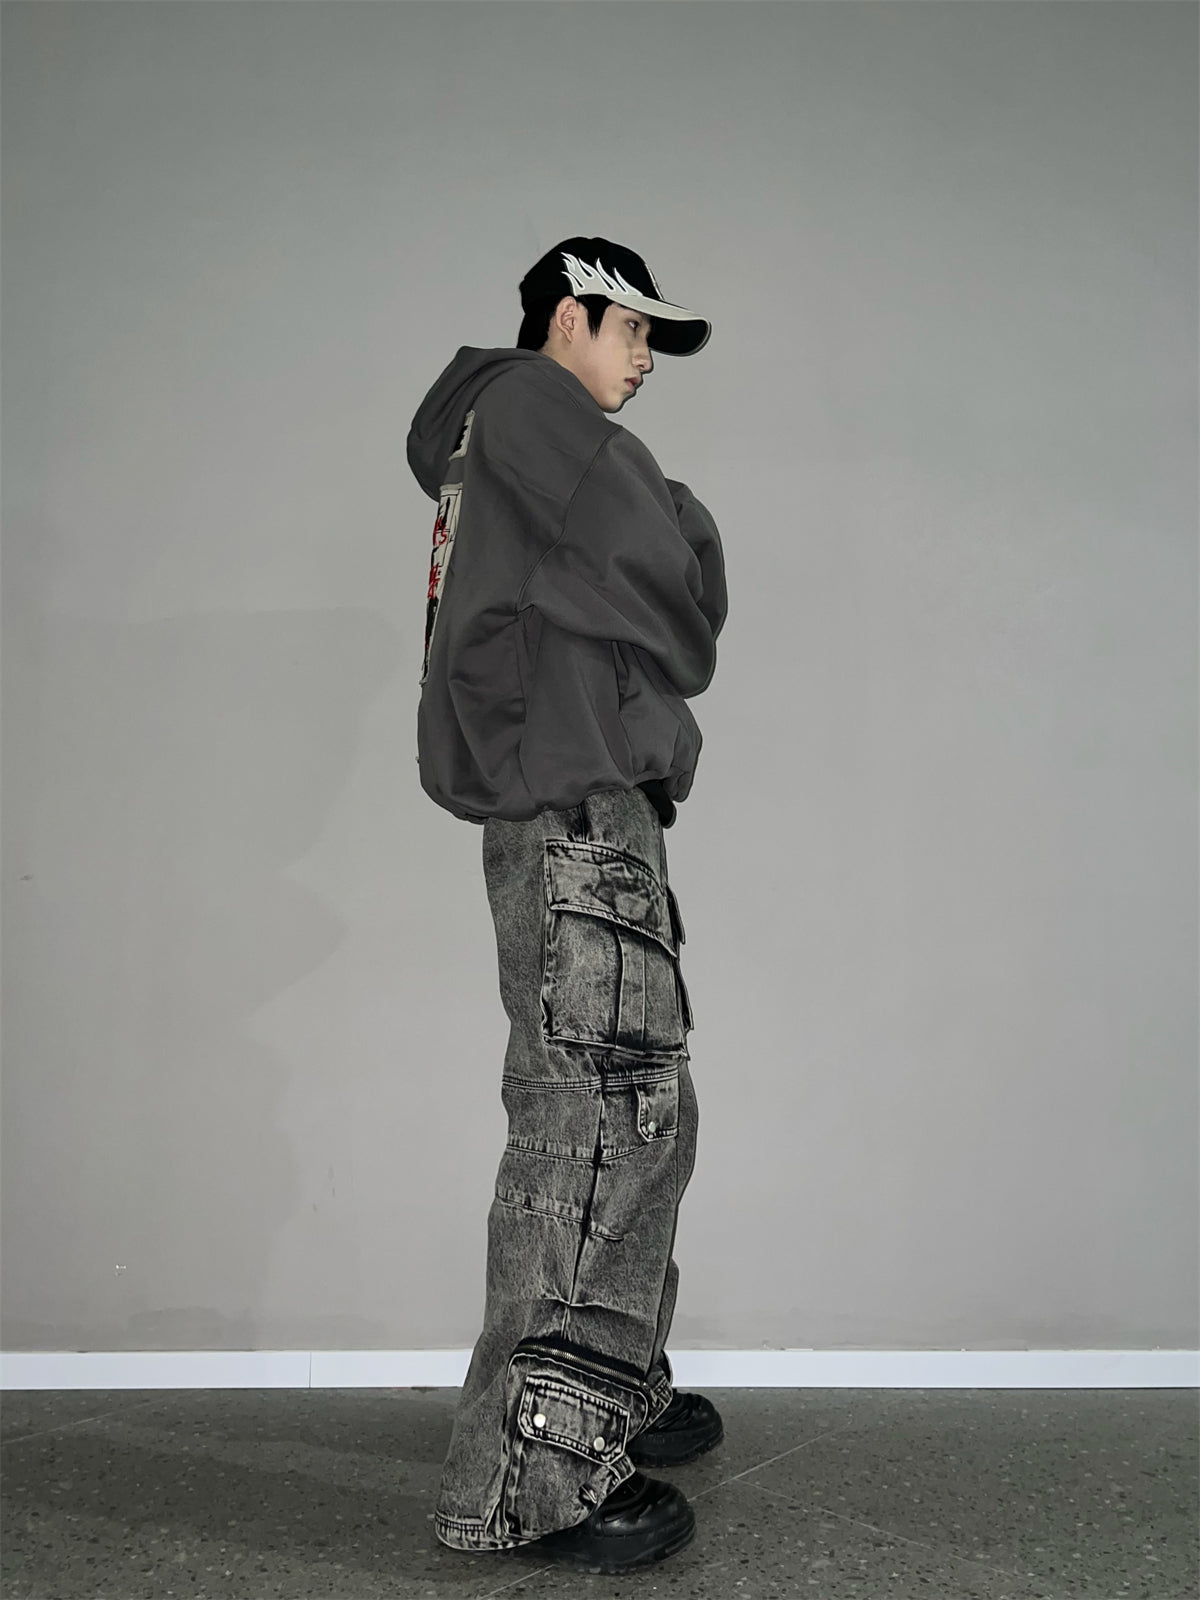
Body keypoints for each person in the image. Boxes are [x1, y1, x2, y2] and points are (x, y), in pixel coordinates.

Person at [406, 237, 728, 1574]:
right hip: (578, 815)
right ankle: (530, 1482)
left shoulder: (500, 445)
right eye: (631, 329)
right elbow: (679, 586)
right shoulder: (536, 409)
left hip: (580, 815)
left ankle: (608, 1396)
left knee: (633, 1114)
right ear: (567, 316)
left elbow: (589, 602)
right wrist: (686, 513)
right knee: (599, 1124)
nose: (644, 360)